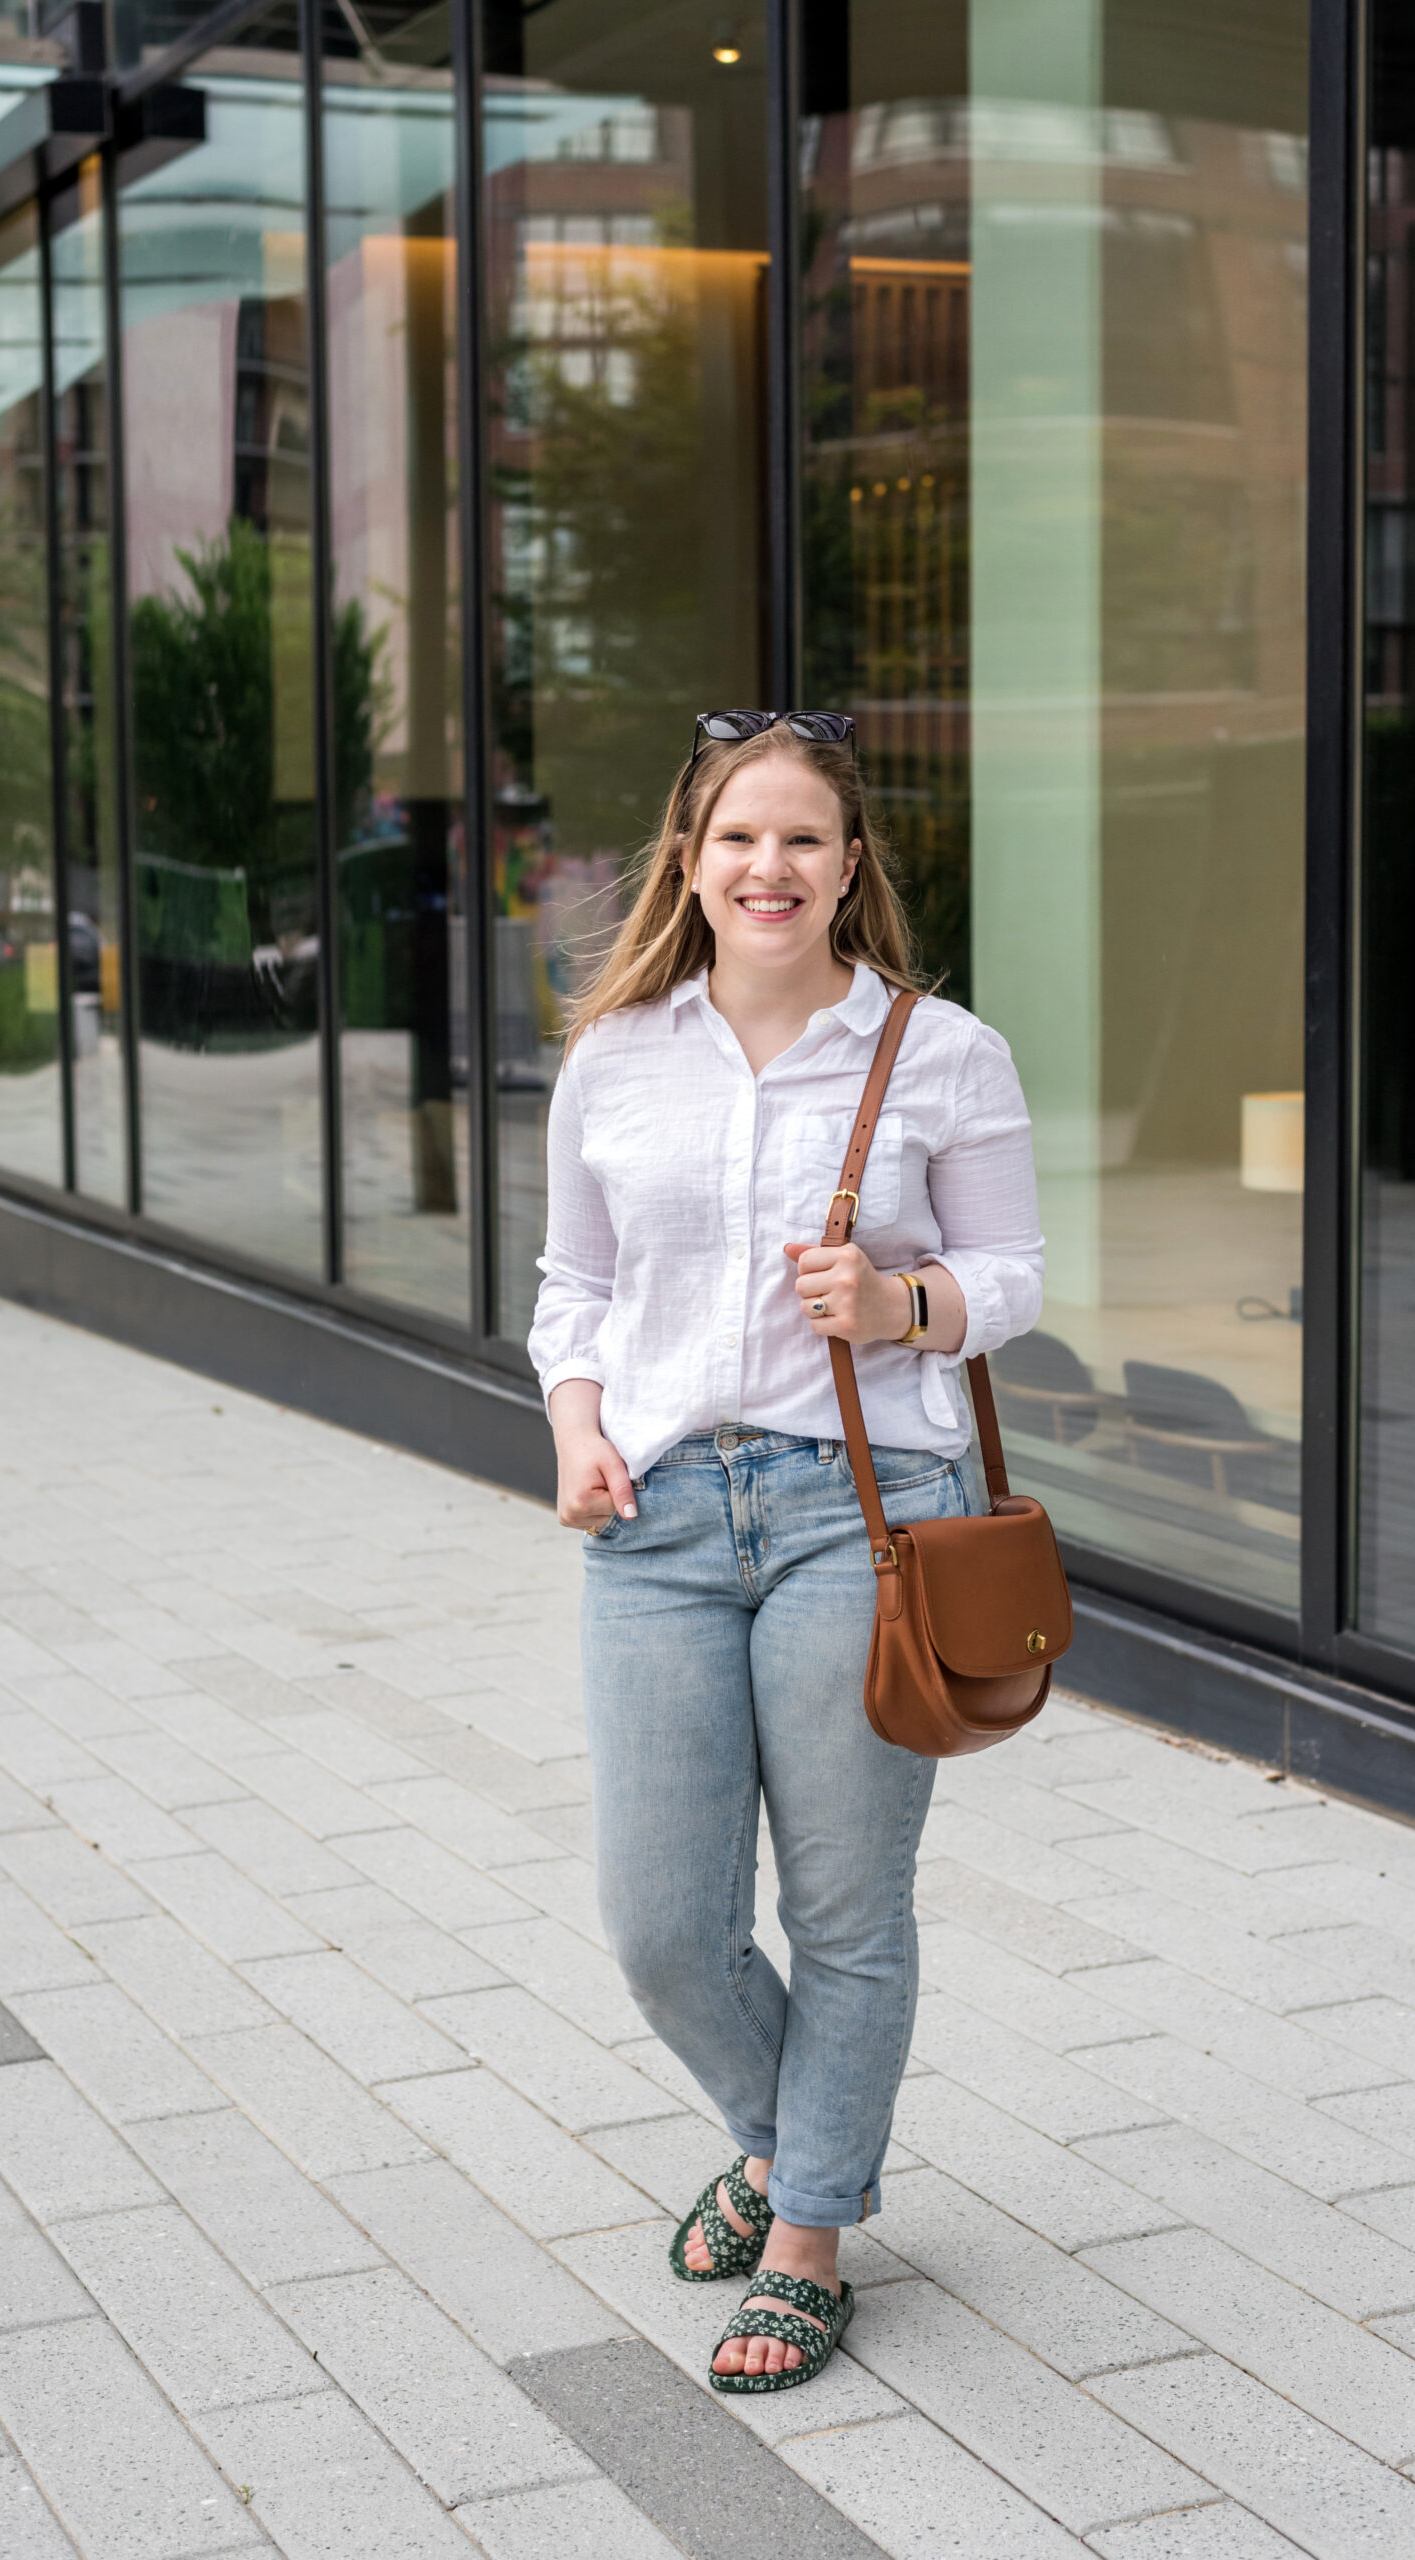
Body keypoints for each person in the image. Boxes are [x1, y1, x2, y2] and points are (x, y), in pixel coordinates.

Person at [527, 710, 1043, 2394]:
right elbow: (574, 1287)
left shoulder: (942, 1052)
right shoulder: (615, 1053)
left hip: (867, 1514)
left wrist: (905, 1303)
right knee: (662, 1922)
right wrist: (577, 1421)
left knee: (845, 1910)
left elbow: (1015, 1276)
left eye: (805, 839)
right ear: (691, 857)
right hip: (659, 1518)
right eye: (740, 837)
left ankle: (808, 2235)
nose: (772, 867)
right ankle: (776, 2141)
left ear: (850, 866)